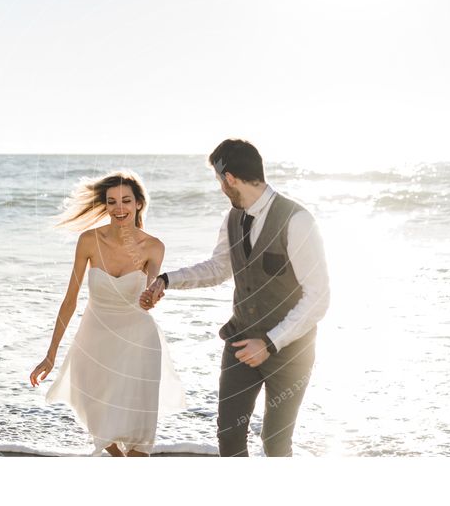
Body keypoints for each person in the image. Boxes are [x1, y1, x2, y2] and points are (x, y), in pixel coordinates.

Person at [140, 139, 330, 457]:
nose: (220, 189)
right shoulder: (233, 218)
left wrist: (269, 343)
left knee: (275, 441)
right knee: (228, 437)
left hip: (291, 352)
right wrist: (166, 280)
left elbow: (318, 297)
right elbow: (217, 268)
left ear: (229, 178)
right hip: (240, 341)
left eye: (218, 181)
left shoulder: (298, 221)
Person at [29, 170, 185, 457]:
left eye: (126, 200)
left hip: (139, 343)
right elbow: (70, 301)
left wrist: (152, 296)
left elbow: (151, 288)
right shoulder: (89, 240)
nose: (119, 208)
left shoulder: (153, 246)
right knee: (100, 423)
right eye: (111, 201)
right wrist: (51, 354)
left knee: (139, 438)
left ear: (139, 203)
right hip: (94, 342)